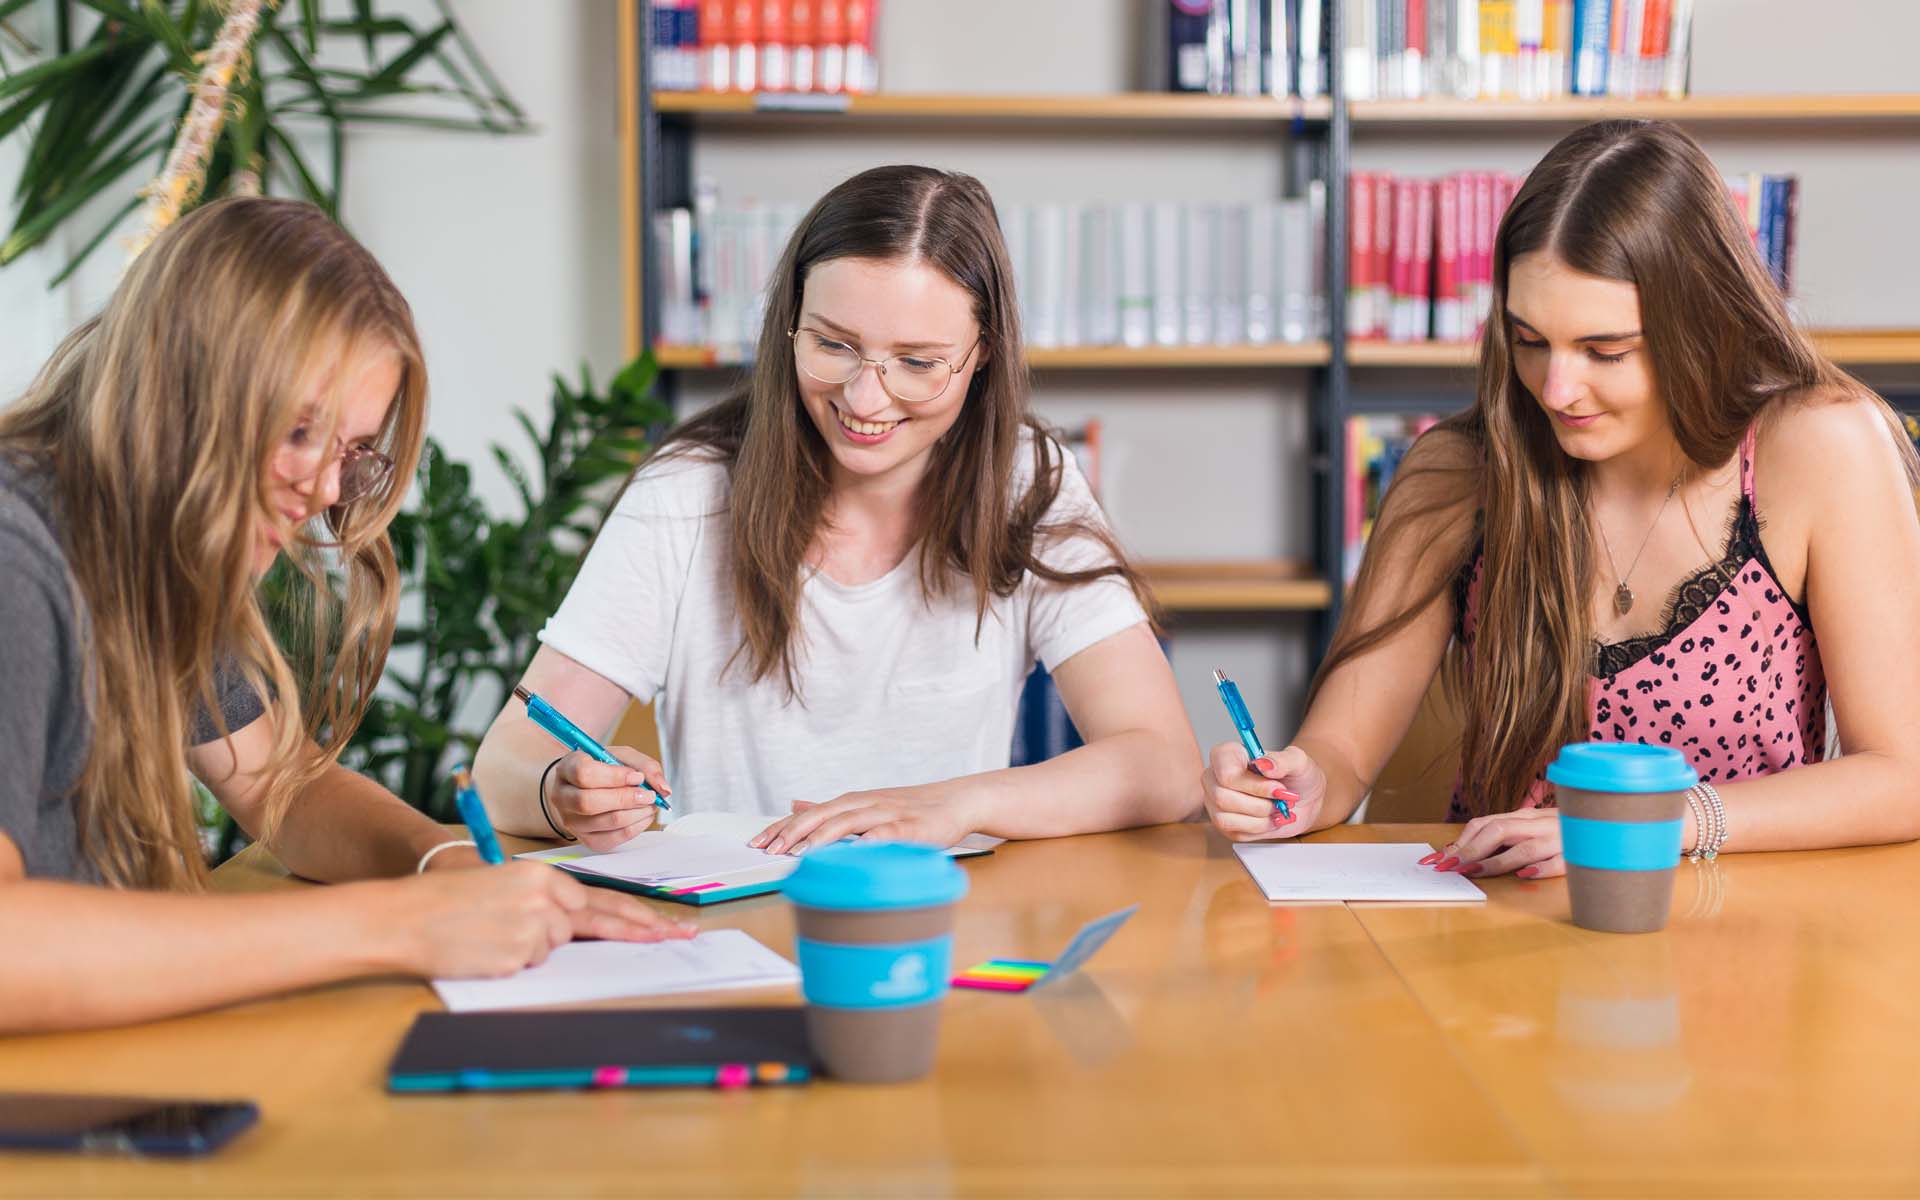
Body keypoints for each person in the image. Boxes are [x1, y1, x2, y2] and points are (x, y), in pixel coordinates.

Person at [0, 198, 689, 1034]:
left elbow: (280, 787)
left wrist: (444, 862)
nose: (326, 490)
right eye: (298, 431)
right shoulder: (17, 554)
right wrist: (396, 927)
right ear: (180, 385)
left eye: (350, 453)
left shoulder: (144, 547)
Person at [1204, 119, 1920, 875]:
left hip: (1738, 921)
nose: (1555, 390)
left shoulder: (1820, 445)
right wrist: (1306, 784)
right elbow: (1342, 748)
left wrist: (1646, 825)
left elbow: (1902, 774)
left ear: (1702, 324)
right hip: (1495, 920)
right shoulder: (1456, 473)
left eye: (1605, 351)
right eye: (1530, 340)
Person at [474, 165, 1201, 852]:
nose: (864, 398)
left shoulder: (1026, 481)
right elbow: (505, 764)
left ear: (983, 353)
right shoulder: (686, 494)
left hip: (944, 913)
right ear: (790, 322)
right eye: (832, 345)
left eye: (917, 363)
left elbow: (1164, 763)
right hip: (739, 918)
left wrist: (957, 804)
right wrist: (559, 791)